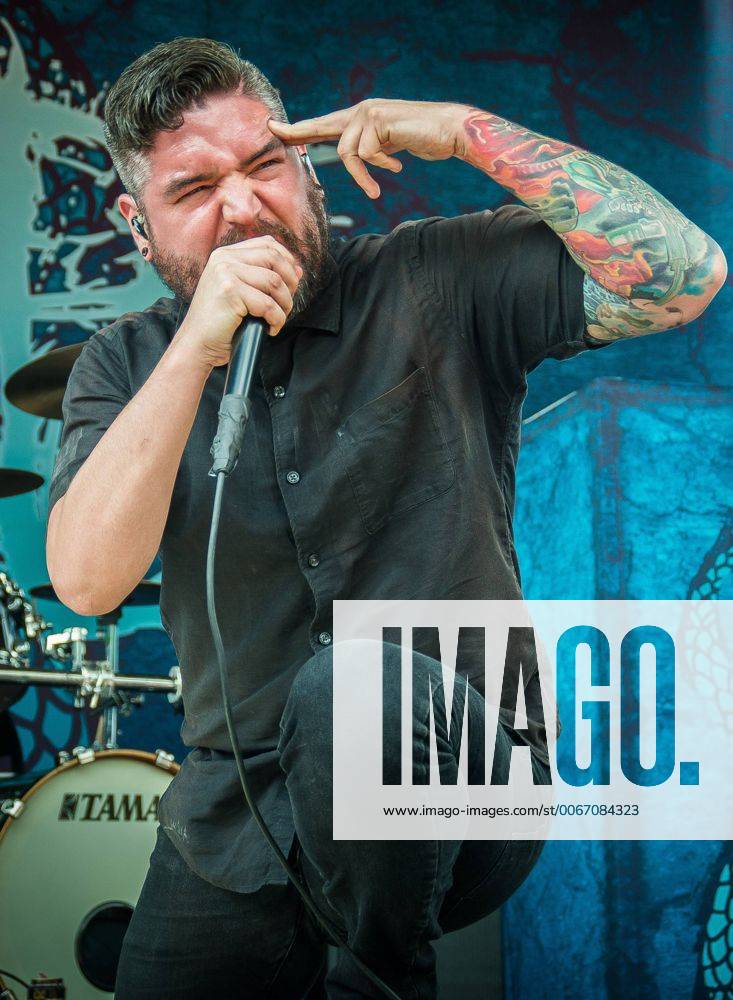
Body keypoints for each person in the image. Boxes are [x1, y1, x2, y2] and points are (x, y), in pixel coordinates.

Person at [45, 37, 726, 1000]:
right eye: (194, 191)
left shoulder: (433, 280)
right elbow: (85, 581)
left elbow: (683, 275)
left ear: (309, 174)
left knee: (351, 681)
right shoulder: (123, 366)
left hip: (461, 777)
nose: (241, 207)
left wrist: (464, 133)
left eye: (265, 165)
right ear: (137, 224)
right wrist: (195, 349)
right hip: (236, 816)